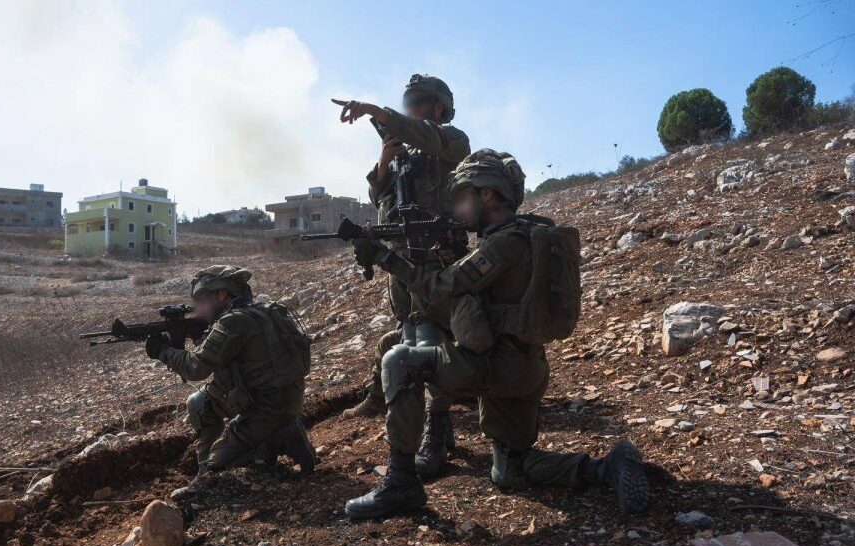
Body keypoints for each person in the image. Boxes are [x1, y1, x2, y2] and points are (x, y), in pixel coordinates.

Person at [344, 149, 652, 520]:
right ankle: (607, 467)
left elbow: (443, 289)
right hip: (524, 368)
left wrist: (386, 258)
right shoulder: (522, 234)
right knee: (510, 471)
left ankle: (400, 483)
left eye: (461, 197)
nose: (455, 209)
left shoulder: (504, 243)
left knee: (400, 361)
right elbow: (485, 293)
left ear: (487, 195)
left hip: (495, 366)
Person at [333, 74, 470, 479]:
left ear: (438, 108)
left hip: (438, 257)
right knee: (407, 333)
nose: (409, 109)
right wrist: (383, 163)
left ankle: (438, 424)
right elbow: (382, 200)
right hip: (401, 260)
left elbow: (426, 137)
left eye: (417, 103)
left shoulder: (451, 143)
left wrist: (378, 113)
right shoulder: (404, 153)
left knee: (434, 341)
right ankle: (401, 406)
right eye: (405, 102)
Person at [145, 265, 315, 500]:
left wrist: (163, 351)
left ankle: (277, 440)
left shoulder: (233, 322)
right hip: (279, 399)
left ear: (222, 295)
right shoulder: (260, 312)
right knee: (199, 404)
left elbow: (196, 368)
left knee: (223, 470)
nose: (198, 309)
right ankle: (214, 465)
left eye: (201, 300)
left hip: (268, 410)